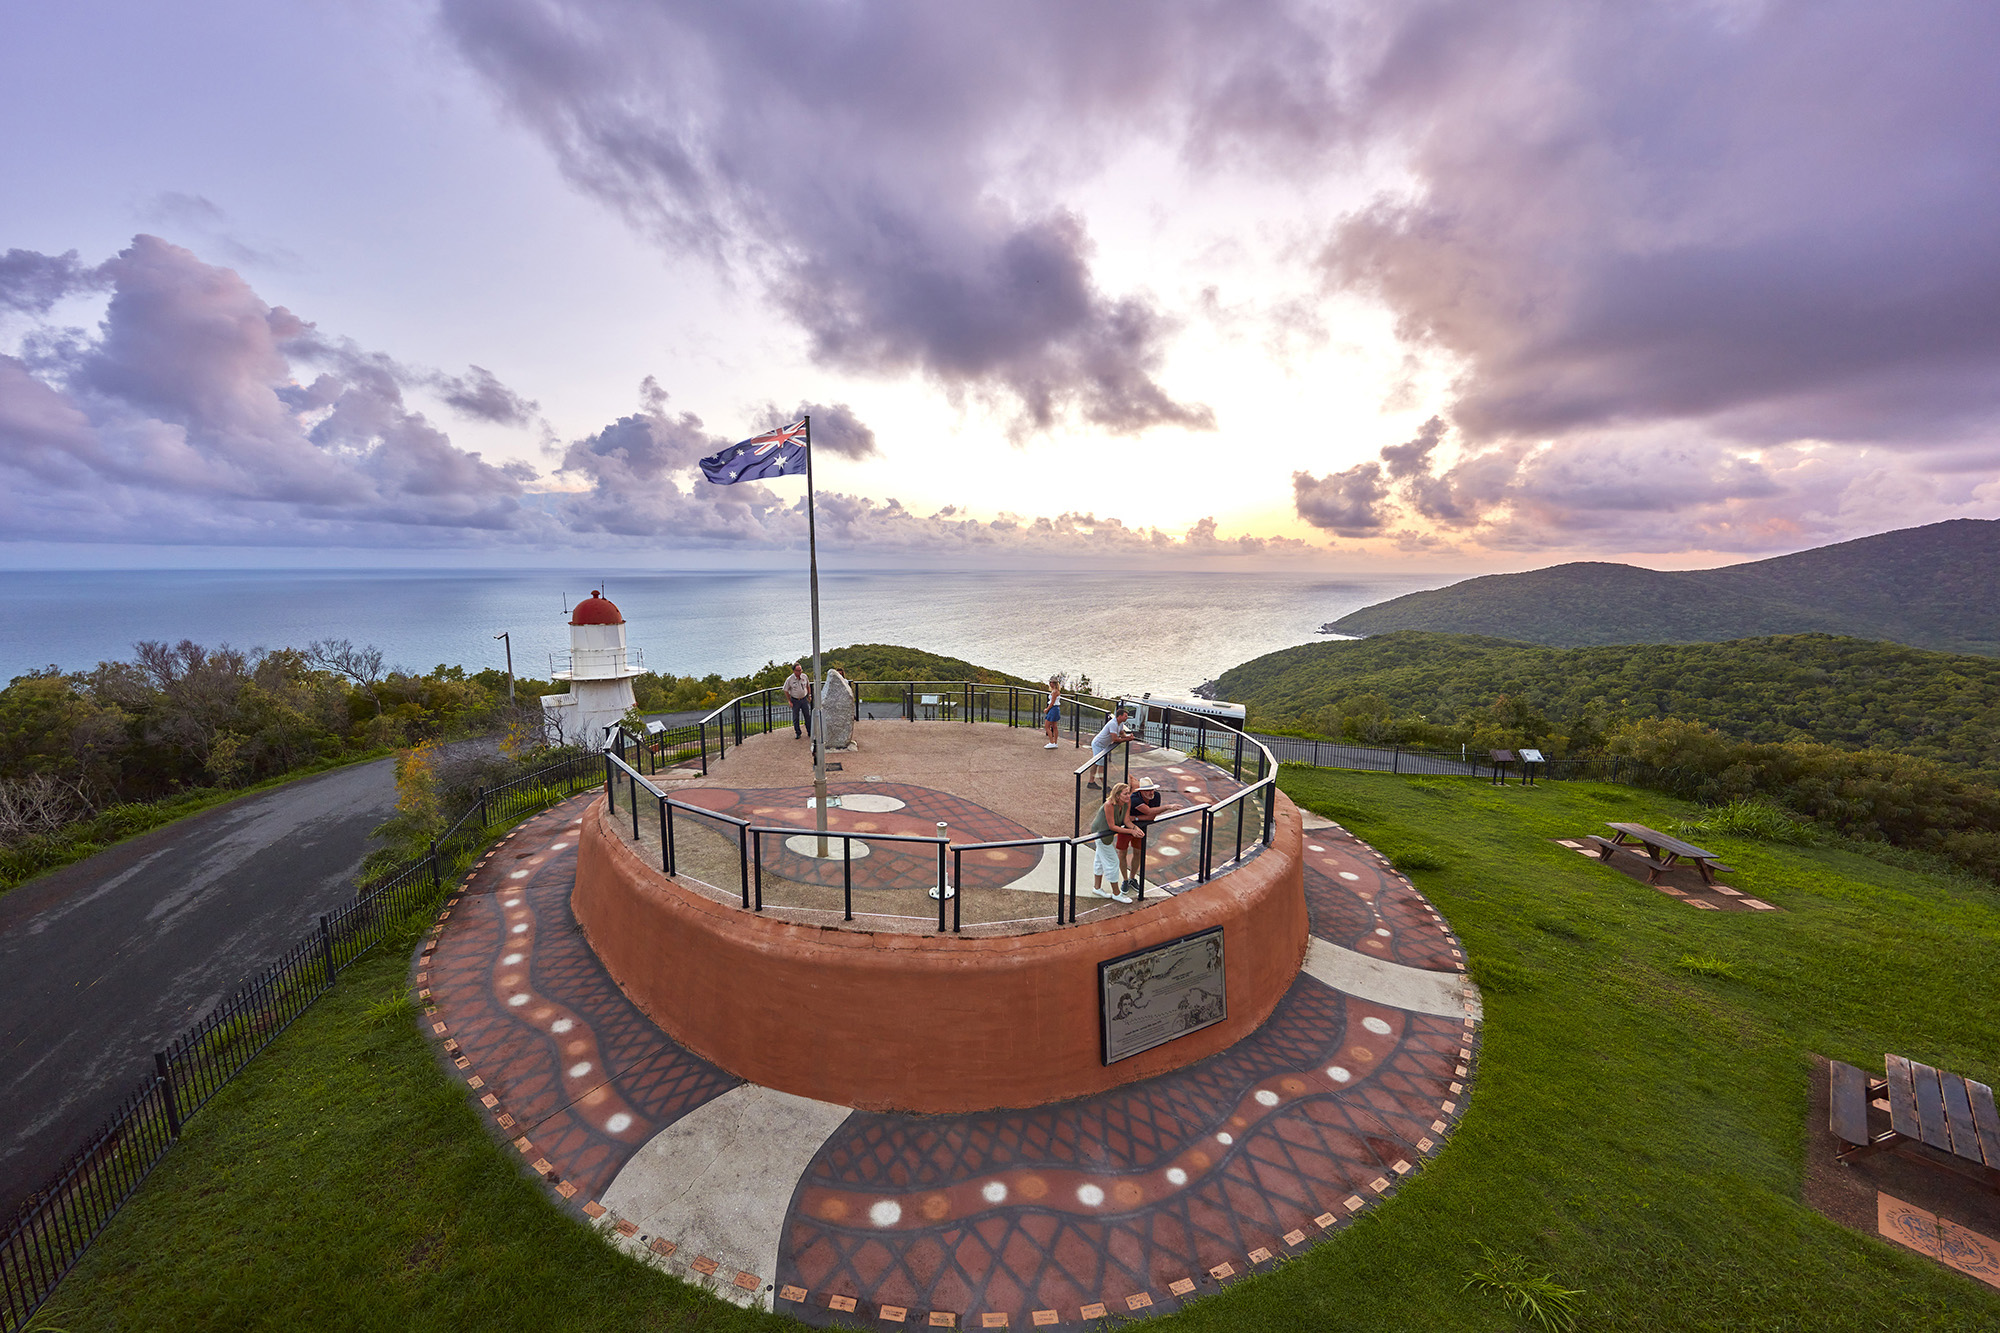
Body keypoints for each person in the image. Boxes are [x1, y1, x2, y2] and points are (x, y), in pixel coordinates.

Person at [1088, 781, 1141, 903]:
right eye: (1125, 794)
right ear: (1117, 795)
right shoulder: (1109, 805)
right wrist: (1130, 832)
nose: (1128, 796)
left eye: (1129, 793)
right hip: (1101, 833)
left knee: (1100, 860)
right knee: (1113, 861)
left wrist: (1134, 828)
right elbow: (1112, 826)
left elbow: (1127, 820)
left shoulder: (1127, 802)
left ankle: (1097, 888)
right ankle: (1116, 893)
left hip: (1107, 833)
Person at [1120, 775, 1162, 893]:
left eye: (1152, 789)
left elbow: (1152, 816)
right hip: (1126, 827)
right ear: (1141, 791)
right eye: (1148, 790)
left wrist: (1136, 818)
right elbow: (1148, 812)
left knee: (1138, 852)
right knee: (1122, 852)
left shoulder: (1156, 796)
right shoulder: (1134, 798)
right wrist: (1168, 807)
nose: (1151, 792)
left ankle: (1132, 878)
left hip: (1141, 827)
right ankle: (1125, 879)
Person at [1086, 705, 1134, 790]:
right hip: (1098, 745)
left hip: (1101, 745)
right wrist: (1127, 739)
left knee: (1096, 763)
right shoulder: (1113, 724)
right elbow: (1115, 739)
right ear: (1119, 716)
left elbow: (1121, 733)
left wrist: (1127, 736)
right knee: (1101, 766)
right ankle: (1105, 787)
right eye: (1125, 716)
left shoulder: (1120, 723)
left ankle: (1091, 782)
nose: (1127, 718)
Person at [783, 663, 813, 739]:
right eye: (798, 670)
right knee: (796, 718)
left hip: (804, 699)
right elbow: (785, 690)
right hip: (795, 700)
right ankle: (798, 733)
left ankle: (810, 731)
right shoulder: (790, 679)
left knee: (807, 716)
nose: (800, 672)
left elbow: (808, 686)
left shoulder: (804, 676)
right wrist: (789, 701)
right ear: (794, 671)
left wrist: (809, 695)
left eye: (800, 670)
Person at [1042, 677, 1062, 749]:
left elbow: (1052, 703)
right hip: (1055, 709)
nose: (1050, 684)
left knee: (1047, 726)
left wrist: (1047, 709)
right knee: (1054, 726)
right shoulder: (1055, 691)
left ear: (1054, 683)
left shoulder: (1054, 692)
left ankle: (1052, 742)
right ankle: (1055, 743)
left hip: (1053, 709)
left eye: (1051, 682)